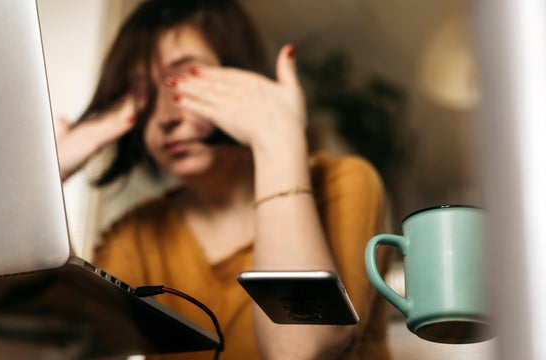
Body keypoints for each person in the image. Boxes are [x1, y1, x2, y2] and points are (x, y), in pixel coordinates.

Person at [56, 0, 392, 359]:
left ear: (242, 75)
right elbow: (71, 343)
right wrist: (49, 177)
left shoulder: (344, 182)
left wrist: (277, 137)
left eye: (183, 82)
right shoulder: (136, 234)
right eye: (143, 94)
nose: (165, 117)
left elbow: (299, 348)